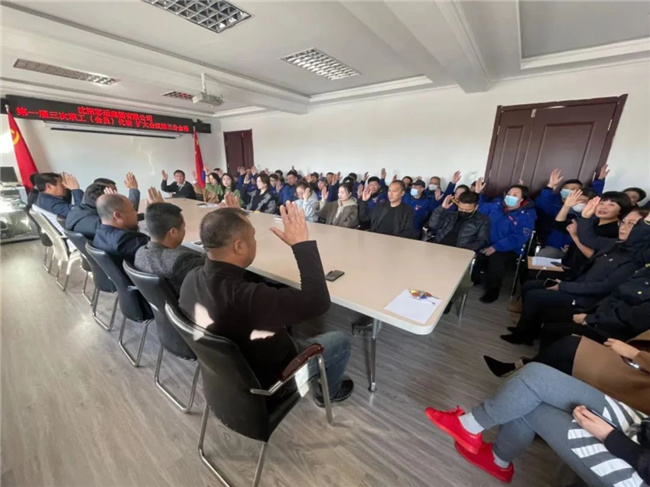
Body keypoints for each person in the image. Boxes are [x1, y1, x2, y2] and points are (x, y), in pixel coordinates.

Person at [178, 202, 354, 407]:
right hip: (275, 381)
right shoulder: (251, 299)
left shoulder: (190, 279)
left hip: (225, 376)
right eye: (252, 237)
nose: (255, 242)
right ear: (239, 246)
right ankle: (329, 393)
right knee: (340, 340)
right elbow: (319, 302)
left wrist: (228, 222)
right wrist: (301, 245)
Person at [425, 363, 649, 486]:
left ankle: (487, 447)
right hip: (642, 425)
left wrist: (612, 438)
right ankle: (478, 435)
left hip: (638, 466)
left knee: (528, 404)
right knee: (534, 376)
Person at [501, 203, 650, 345]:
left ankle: (523, 335)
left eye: (632, 224)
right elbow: (589, 239)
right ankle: (527, 332)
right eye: (623, 222)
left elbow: (603, 287)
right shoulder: (616, 244)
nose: (624, 227)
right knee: (530, 285)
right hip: (577, 284)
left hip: (588, 299)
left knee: (535, 295)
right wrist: (585, 217)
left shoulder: (637, 258)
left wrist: (563, 287)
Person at [484, 331, 650, 413]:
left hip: (638, 382)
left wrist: (636, 355)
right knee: (562, 359)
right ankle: (517, 385)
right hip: (636, 361)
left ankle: (516, 373)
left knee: (568, 346)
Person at [471, 179, 536, 303]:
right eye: (509, 194)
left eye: (515, 195)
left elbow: (518, 237)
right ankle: (475, 279)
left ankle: (493, 290)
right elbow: (480, 209)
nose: (510, 196)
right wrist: (478, 194)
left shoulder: (526, 215)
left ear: (522, 200)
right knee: (472, 249)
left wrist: (496, 247)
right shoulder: (497, 205)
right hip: (487, 241)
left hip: (508, 248)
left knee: (496, 259)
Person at [134, 202, 205, 295]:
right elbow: (215, 270)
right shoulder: (182, 261)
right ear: (173, 232)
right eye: (183, 227)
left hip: (161, 303)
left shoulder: (140, 253)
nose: (184, 230)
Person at [93, 188, 162, 266]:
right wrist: (162, 214)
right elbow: (165, 249)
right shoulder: (126, 241)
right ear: (118, 215)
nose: (136, 213)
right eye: (132, 209)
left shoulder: (100, 233)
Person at [66, 173, 141, 239]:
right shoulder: (102, 226)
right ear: (103, 201)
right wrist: (114, 204)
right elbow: (128, 220)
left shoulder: (74, 213)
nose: (117, 195)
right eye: (114, 194)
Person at [426, 192, 490, 251]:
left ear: (476, 207)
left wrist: (466, 250)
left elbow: (482, 240)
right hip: (439, 246)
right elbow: (433, 225)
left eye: (467, 210)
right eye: (461, 208)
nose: (463, 211)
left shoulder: (482, 220)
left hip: (461, 250)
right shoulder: (450, 215)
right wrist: (442, 208)